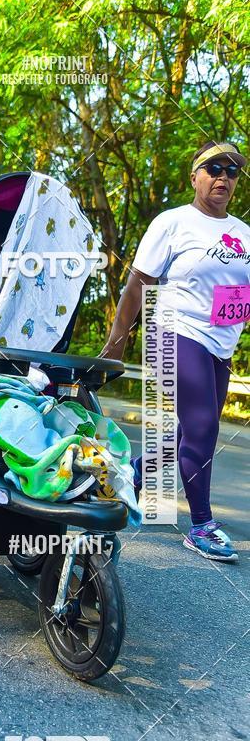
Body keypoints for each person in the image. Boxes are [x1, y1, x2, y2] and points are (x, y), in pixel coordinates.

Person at [102, 140, 249, 562]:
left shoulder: (243, 233)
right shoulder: (174, 222)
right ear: (195, 176)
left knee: (189, 431)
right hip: (173, 332)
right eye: (214, 168)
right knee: (203, 426)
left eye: (233, 170)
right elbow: (138, 285)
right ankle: (201, 525)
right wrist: (117, 342)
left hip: (221, 342)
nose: (223, 176)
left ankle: (132, 474)